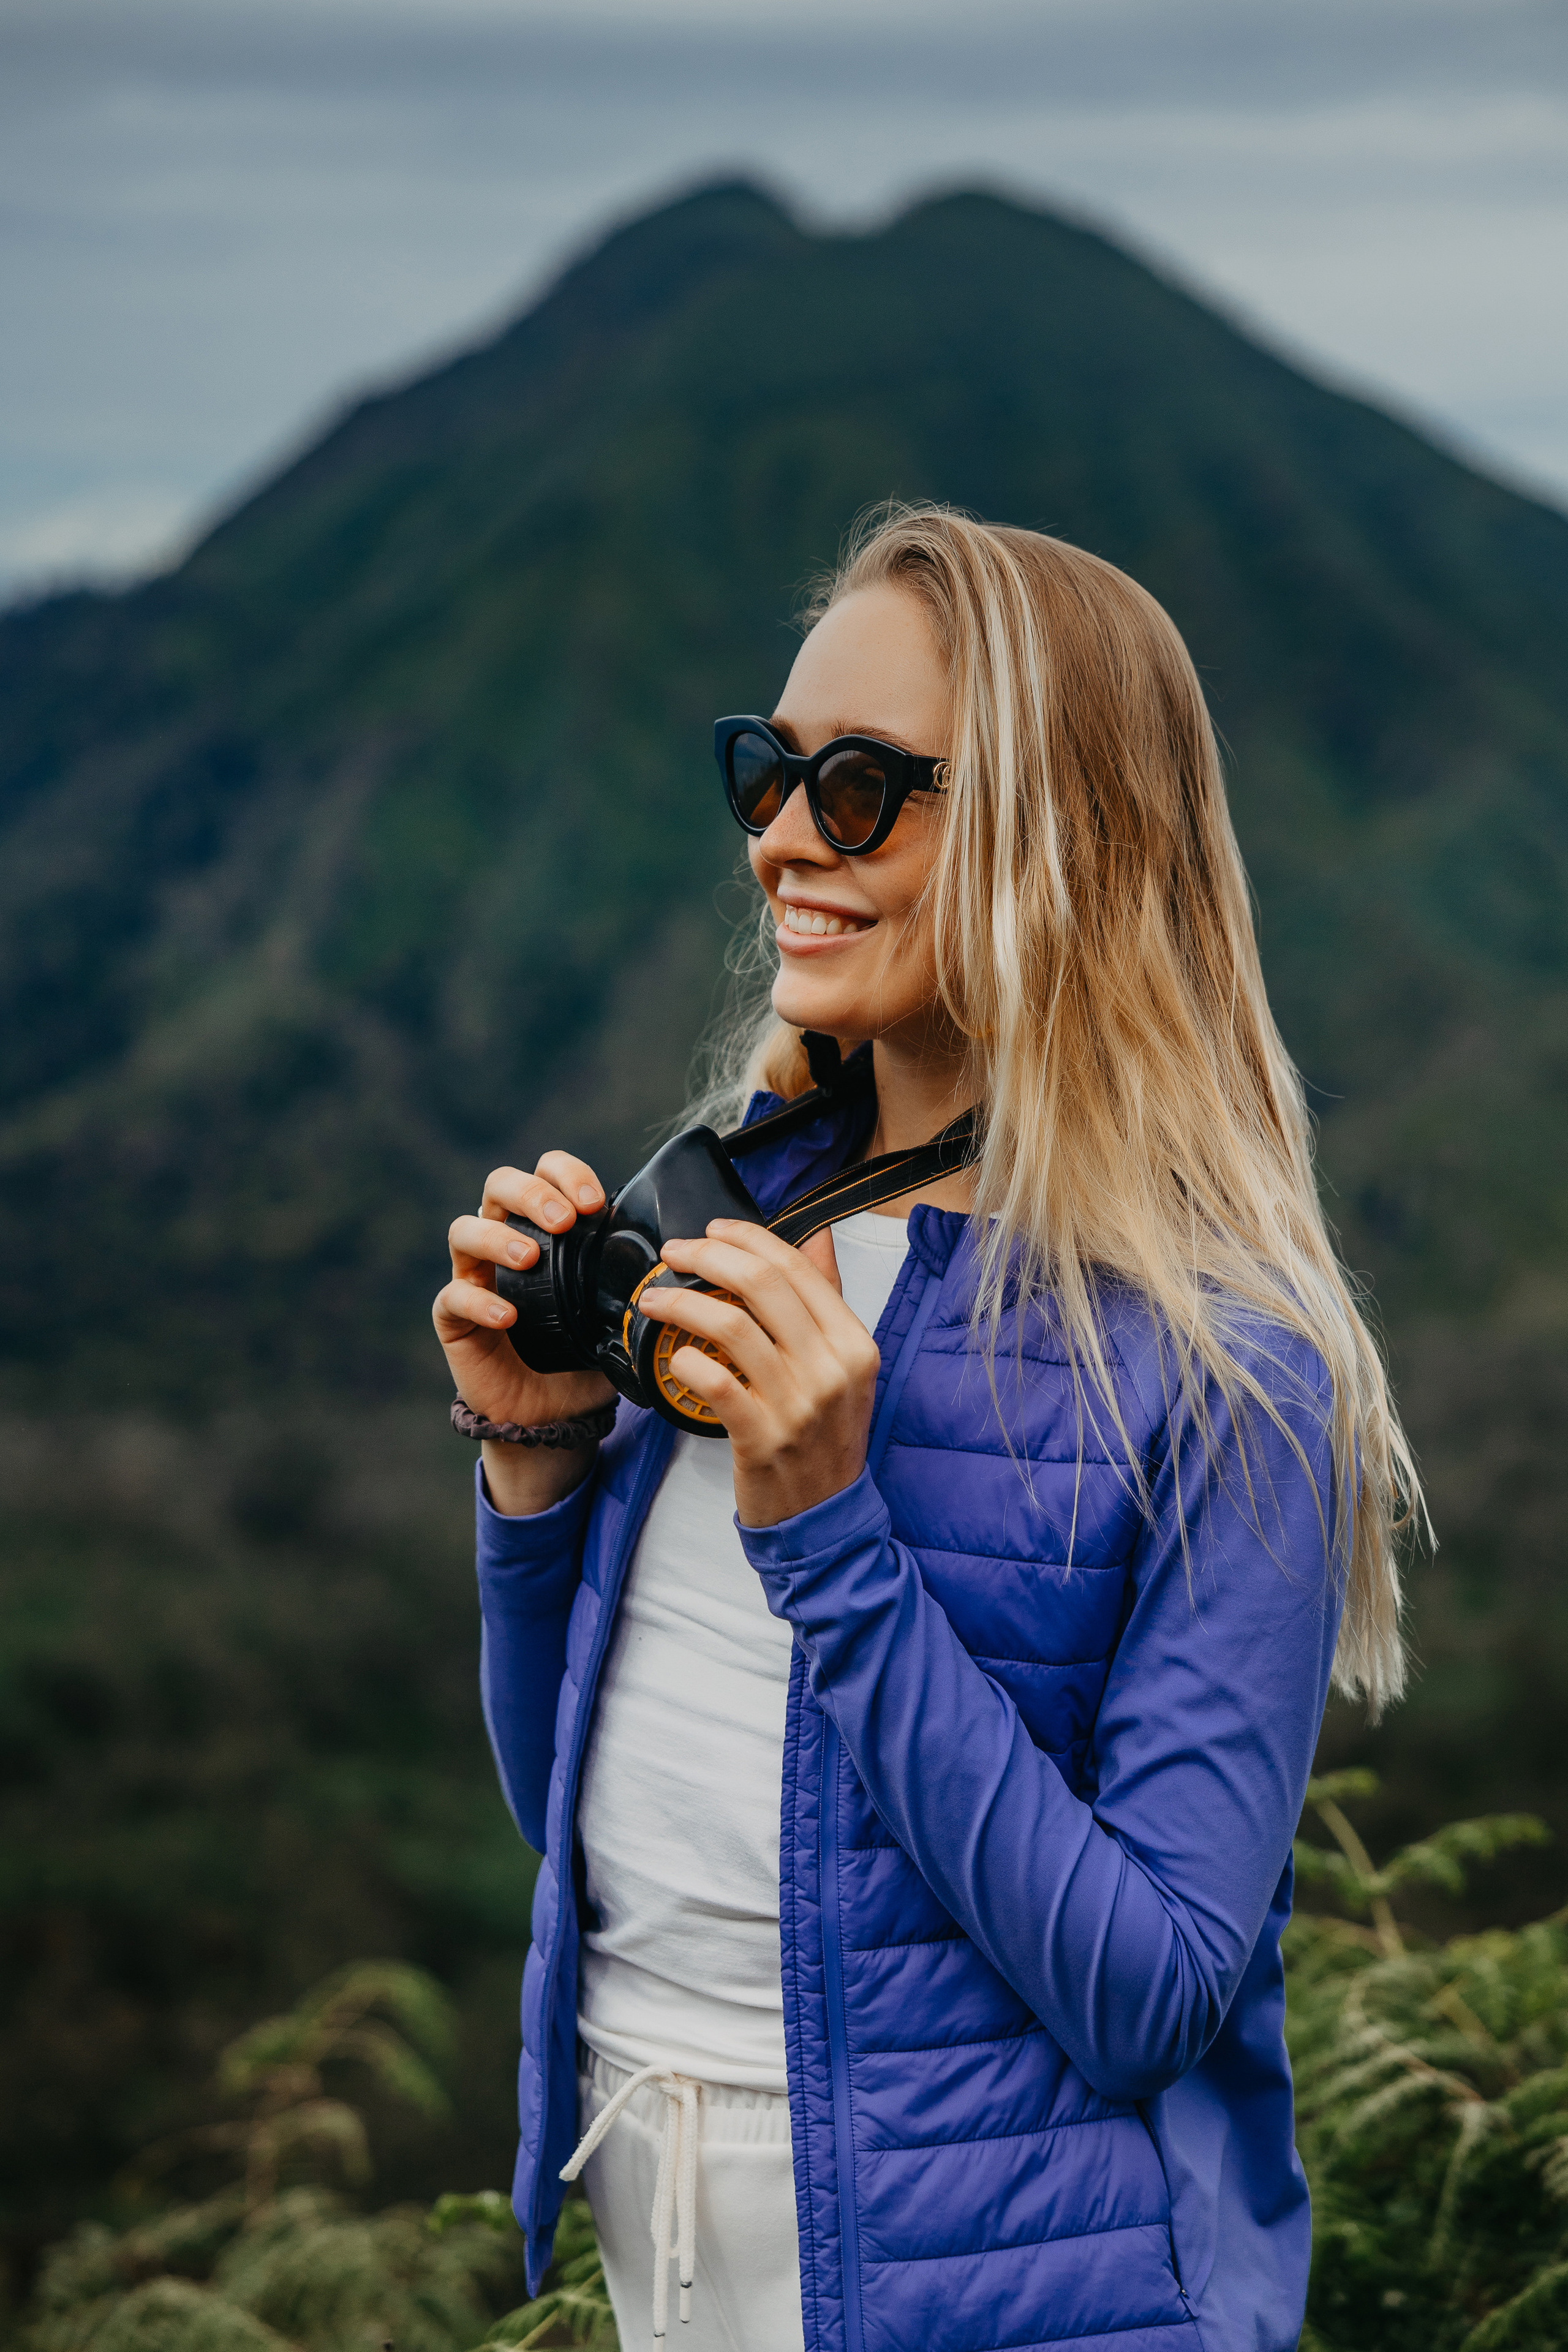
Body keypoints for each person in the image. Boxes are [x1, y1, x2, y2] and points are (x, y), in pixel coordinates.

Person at [433, 507, 1420, 2352]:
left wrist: (833, 1542)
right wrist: (537, 1466)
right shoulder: (740, 1228)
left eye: (868, 790)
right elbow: (592, 1830)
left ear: (1071, 839)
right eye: (771, 770)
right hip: (683, 2272)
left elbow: (1155, 1996)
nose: (785, 837)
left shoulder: (1228, 1361)